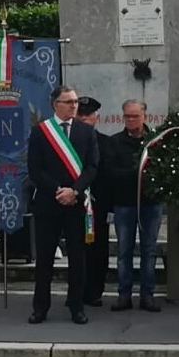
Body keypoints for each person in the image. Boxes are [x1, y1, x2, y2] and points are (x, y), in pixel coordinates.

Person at [27, 85, 100, 325]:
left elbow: (92, 167)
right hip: (49, 203)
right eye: (68, 101)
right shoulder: (41, 131)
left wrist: (75, 191)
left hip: (76, 203)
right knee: (45, 259)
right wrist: (58, 190)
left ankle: (76, 306)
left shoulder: (86, 132)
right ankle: (40, 307)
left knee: (78, 259)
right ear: (55, 104)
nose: (74, 105)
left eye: (75, 101)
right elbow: (35, 169)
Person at [107, 99, 163, 312]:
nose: (131, 120)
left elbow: (161, 171)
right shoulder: (115, 142)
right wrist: (136, 172)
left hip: (151, 203)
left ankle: (147, 296)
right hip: (125, 204)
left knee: (149, 251)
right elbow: (111, 172)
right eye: (127, 116)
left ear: (144, 116)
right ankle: (124, 295)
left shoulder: (155, 141)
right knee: (124, 251)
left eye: (135, 116)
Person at [77, 96, 112, 307]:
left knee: (98, 249)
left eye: (87, 115)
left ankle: (95, 291)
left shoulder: (106, 143)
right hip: (74, 202)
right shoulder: (66, 143)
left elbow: (108, 174)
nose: (83, 119)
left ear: (95, 118)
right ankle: (77, 291)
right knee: (77, 249)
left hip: (97, 205)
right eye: (80, 115)